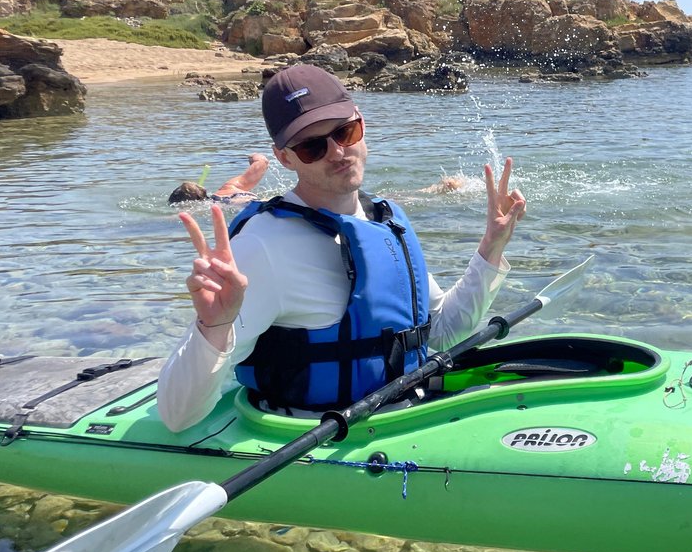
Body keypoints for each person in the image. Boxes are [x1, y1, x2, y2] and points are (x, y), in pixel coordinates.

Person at [157, 65, 527, 432]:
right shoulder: (262, 247)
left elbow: (443, 331)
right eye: (311, 146)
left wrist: (491, 248)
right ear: (285, 157)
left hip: (402, 417)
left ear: (362, 124)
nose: (336, 152)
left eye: (344, 132)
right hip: (317, 437)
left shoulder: (385, 220)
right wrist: (214, 326)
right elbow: (177, 416)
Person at [167, 154, 270, 205]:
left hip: (258, 206)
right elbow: (262, 161)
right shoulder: (230, 186)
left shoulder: (206, 208)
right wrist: (252, 156)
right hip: (258, 203)